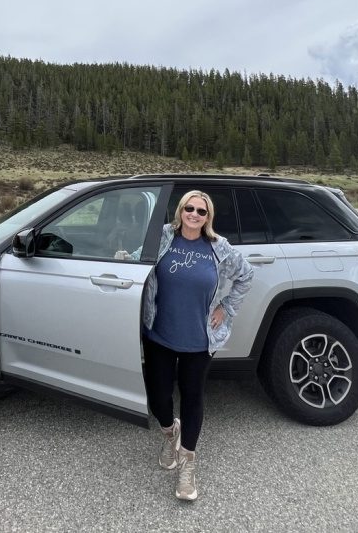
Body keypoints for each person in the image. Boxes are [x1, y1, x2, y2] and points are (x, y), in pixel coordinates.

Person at [139, 190, 253, 501]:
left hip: (199, 341)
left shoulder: (219, 247)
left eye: (201, 211)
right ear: (180, 210)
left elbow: (247, 276)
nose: (194, 215)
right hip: (159, 334)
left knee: (192, 398)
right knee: (158, 398)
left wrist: (226, 308)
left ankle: (187, 463)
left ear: (208, 217)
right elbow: (140, 258)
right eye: (189, 208)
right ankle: (169, 432)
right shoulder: (163, 237)